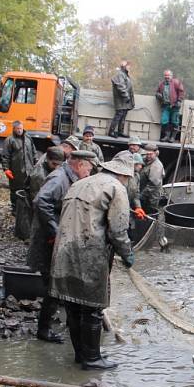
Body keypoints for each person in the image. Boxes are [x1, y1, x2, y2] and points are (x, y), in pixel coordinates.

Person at [49, 151, 135, 370]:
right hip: (90, 254)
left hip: (62, 252)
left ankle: (81, 355)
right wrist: (127, 254)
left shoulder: (79, 183)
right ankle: (92, 358)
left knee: (73, 307)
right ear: (123, 175)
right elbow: (118, 230)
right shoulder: (117, 189)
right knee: (92, 308)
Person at [28, 150, 96, 344]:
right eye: (88, 169)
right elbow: (40, 201)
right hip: (49, 241)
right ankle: (44, 330)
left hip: (58, 239)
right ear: (79, 164)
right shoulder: (59, 178)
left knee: (61, 281)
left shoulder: (70, 177)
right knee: (54, 284)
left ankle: (65, 322)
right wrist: (54, 231)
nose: (89, 173)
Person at [1, 120, 36, 209]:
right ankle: (14, 208)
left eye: (21, 128)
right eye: (18, 129)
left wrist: (36, 165)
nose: (20, 130)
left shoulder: (28, 138)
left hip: (29, 170)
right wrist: (6, 169)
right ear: (14, 129)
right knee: (15, 190)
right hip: (16, 171)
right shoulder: (9, 140)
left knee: (28, 189)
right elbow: (5, 156)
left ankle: (25, 207)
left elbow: (34, 152)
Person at [155, 70, 184, 142]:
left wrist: (179, 101)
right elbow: (157, 92)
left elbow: (181, 92)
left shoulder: (176, 82)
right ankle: (167, 136)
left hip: (175, 105)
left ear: (171, 76)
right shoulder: (161, 84)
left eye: (168, 75)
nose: (167, 77)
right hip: (165, 105)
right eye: (165, 75)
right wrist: (158, 95)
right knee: (164, 120)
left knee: (175, 121)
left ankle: (173, 137)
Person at [108, 60, 134, 138]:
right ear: (124, 67)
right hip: (121, 99)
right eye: (128, 66)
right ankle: (111, 131)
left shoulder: (125, 75)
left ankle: (120, 131)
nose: (129, 67)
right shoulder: (120, 75)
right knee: (119, 115)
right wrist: (126, 96)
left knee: (123, 115)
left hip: (125, 100)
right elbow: (121, 87)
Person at [138, 143, 164, 214]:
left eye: (150, 154)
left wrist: (140, 196)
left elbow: (152, 185)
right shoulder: (145, 160)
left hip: (151, 196)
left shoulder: (156, 166)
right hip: (143, 191)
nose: (148, 156)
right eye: (147, 154)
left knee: (149, 213)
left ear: (156, 153)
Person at [126, 151, 146, 234]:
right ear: (133, 164)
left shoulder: (137, 176)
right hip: (122, 206)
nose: (141, 166)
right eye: (139, 164)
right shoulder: (124, 175)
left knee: (130, 227)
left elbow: (136, 194)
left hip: (130, 206)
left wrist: (138, 207)